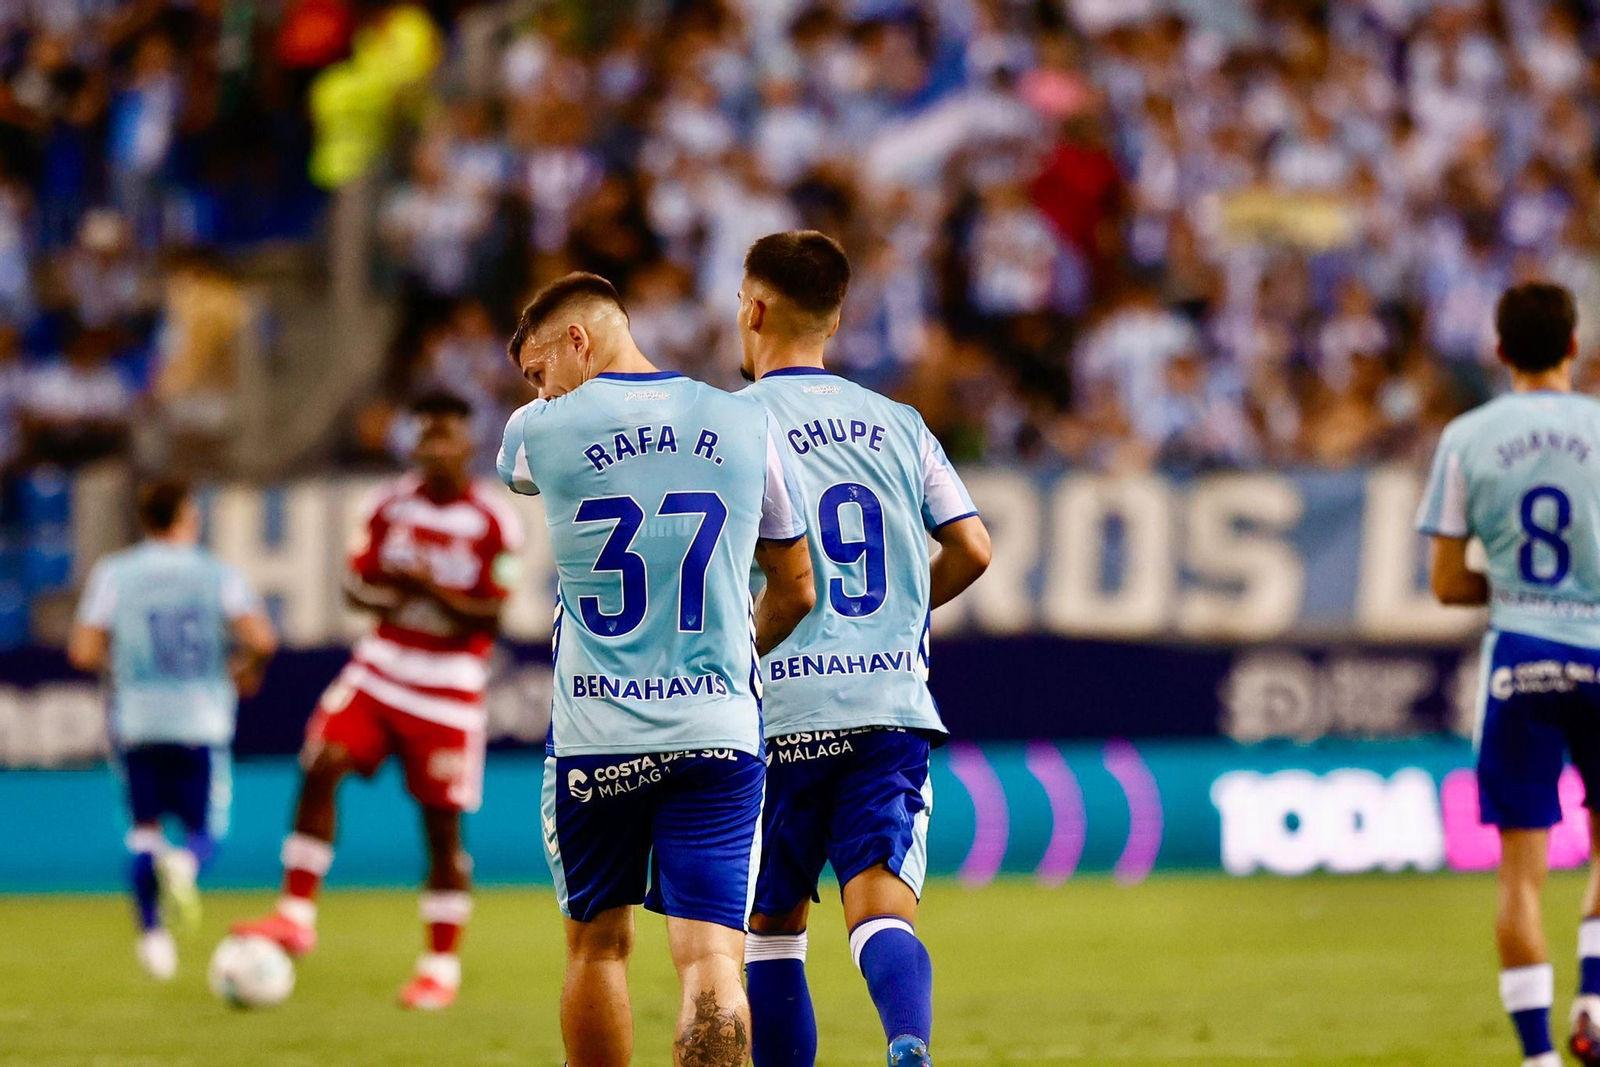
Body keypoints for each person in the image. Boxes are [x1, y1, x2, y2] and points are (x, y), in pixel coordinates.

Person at [497, 271, 816, 1067]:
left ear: (578, 340)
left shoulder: (537, 429)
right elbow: (797, 585)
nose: (541, 387)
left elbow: (523, 470)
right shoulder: (744, 423)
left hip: (595, 734)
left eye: (540, 368)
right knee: (712, 958)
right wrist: (731, 657)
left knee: (597, 947)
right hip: (715, 730)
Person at [733, 231, 992, 1067]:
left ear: (756, 307)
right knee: (880, 908)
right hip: (887, 703)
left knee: (770, 931)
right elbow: (974, 547)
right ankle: (907, 1042)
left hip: (773, 708)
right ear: (836, 319)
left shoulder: (725, 426)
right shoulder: (898, 422)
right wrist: (900, 615)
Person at [232, 390, 522, 1011]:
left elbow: (493, 615)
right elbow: (354, 584)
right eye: (425, 436)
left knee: (441, 829)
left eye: (447, 436)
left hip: (448, 688)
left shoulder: (497, 519)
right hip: (382, 668)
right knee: (321, 761)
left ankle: (439, 966)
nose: (436, 448)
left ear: (469, 445)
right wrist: (388, 596)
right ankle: (296, 914)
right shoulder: (386, 504)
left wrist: (429, 589)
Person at [1418, 282, 1600, 1067]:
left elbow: (1449, 583)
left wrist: (1525, 590)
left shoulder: (1466, 436)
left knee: (1520, 877)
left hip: (1518, 657)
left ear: (1499, 353)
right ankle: (1592, 1002)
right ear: (1574, 345)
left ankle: (1538, 1060)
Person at [67, 479, 277, 980]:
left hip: (138, 721)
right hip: (200, 721)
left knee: (143, 835)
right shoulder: (214, 574)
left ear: (144, 520)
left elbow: (84, 651)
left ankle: (152, 935)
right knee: (206, 834)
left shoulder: (116, 573)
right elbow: (262, 639)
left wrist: (128, 669)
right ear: (188, 516)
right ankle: (186, 865)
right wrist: (245, 671)